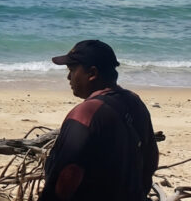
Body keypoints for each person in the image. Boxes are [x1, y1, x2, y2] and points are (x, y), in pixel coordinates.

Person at [40, 39, 159, 201]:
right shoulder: (135, 102)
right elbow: (151, 161)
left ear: (92, 74)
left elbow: (66, 177)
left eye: (72, 69)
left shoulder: (85, 114)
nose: (69, 77)